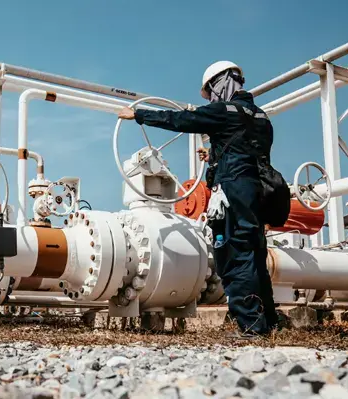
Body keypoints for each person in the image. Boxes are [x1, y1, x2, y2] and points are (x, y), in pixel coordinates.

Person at [118, 61, 278, 337]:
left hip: (233, 192)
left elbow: (183, 120)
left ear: (219, 84)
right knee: (255, 253)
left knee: (234, 256)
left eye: (210, 91)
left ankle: (251, 326)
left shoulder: (224, 111)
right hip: (258, 192)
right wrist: (214, 156)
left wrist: (139, 114)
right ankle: (268, 321)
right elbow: (245, 150)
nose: (210, 98)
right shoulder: (261, 117)